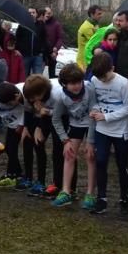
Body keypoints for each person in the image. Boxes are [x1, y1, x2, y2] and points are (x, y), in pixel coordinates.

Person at [88, 52, 128, 216]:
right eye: (100, 78)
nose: (103, 81)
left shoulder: (122, 83)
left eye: (105, 77)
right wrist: (94, 110)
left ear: (112, 69)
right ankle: (102, 199)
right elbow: (94, 101)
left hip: (120, 130)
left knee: (122, 165)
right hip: (102, 129)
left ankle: (124, 199)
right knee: (100, 161)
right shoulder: (94, 80)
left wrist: (107, 116)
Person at [50, 64, 96, 208]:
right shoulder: (60, 96)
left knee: (90, 156)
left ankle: (90, 194)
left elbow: (94, 111)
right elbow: (56, 119)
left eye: (78, 82)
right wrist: (65, 141)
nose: (76, 86)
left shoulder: (89, 88)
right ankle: (66, 191)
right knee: (69, 155)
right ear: (64, 84)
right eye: (72, 83)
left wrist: (90, 141)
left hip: (91, 123)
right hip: (75, 124)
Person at [0, 81, 27, 188]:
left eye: (10, 103)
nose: (9, 106)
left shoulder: (24, 92)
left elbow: (28, 109)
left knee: (12, 148)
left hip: (19, 124)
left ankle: (12, 175)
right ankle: (17, 173)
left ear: (15, 96)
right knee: (8, 147)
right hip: (11, 123)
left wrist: (22, 124)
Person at [17, 6, 47, 75]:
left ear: (36, 14)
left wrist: (42, 51)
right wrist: (17, 49)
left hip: (38, 56)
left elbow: (44, 39)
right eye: (29, 12)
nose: (31, 14)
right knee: (24, 76)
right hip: (25, 55)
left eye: (33, 12)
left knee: (38, 77)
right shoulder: (22, 25)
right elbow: (17, 38)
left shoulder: (41, 25)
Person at [42, 7, 65, 77]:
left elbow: (60, 38)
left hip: (52, 52)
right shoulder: (40, 23)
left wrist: (56, 48)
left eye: (49, 13)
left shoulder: (56, 24)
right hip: (41, 52)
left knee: (51, 73)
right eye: (45, 13)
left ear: (52, 13)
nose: (47, 15)